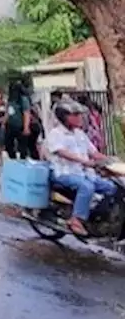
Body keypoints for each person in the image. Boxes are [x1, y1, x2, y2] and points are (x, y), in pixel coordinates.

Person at [46, 99, 119, 237]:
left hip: (83, 173)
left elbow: (94, 153)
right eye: (76, 114)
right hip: (63, 173)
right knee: (87, 187)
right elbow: (62, 152)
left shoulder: (80, 134)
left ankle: (99, 217)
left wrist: (110, 160)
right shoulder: (56, 134)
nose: (80, 117)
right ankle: (76, 220)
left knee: (112, 187)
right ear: (65, 117)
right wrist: (84, 161)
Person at [4, 79, 35, 160]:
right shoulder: (10, 99)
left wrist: (26, 127)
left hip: (20, 126)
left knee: (22, 147)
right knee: (8, 145)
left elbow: (26, 113)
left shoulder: (23, 99)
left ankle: (22, 161)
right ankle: (13, 159)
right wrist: (4, 121)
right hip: (10, 125)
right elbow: (8, 111)